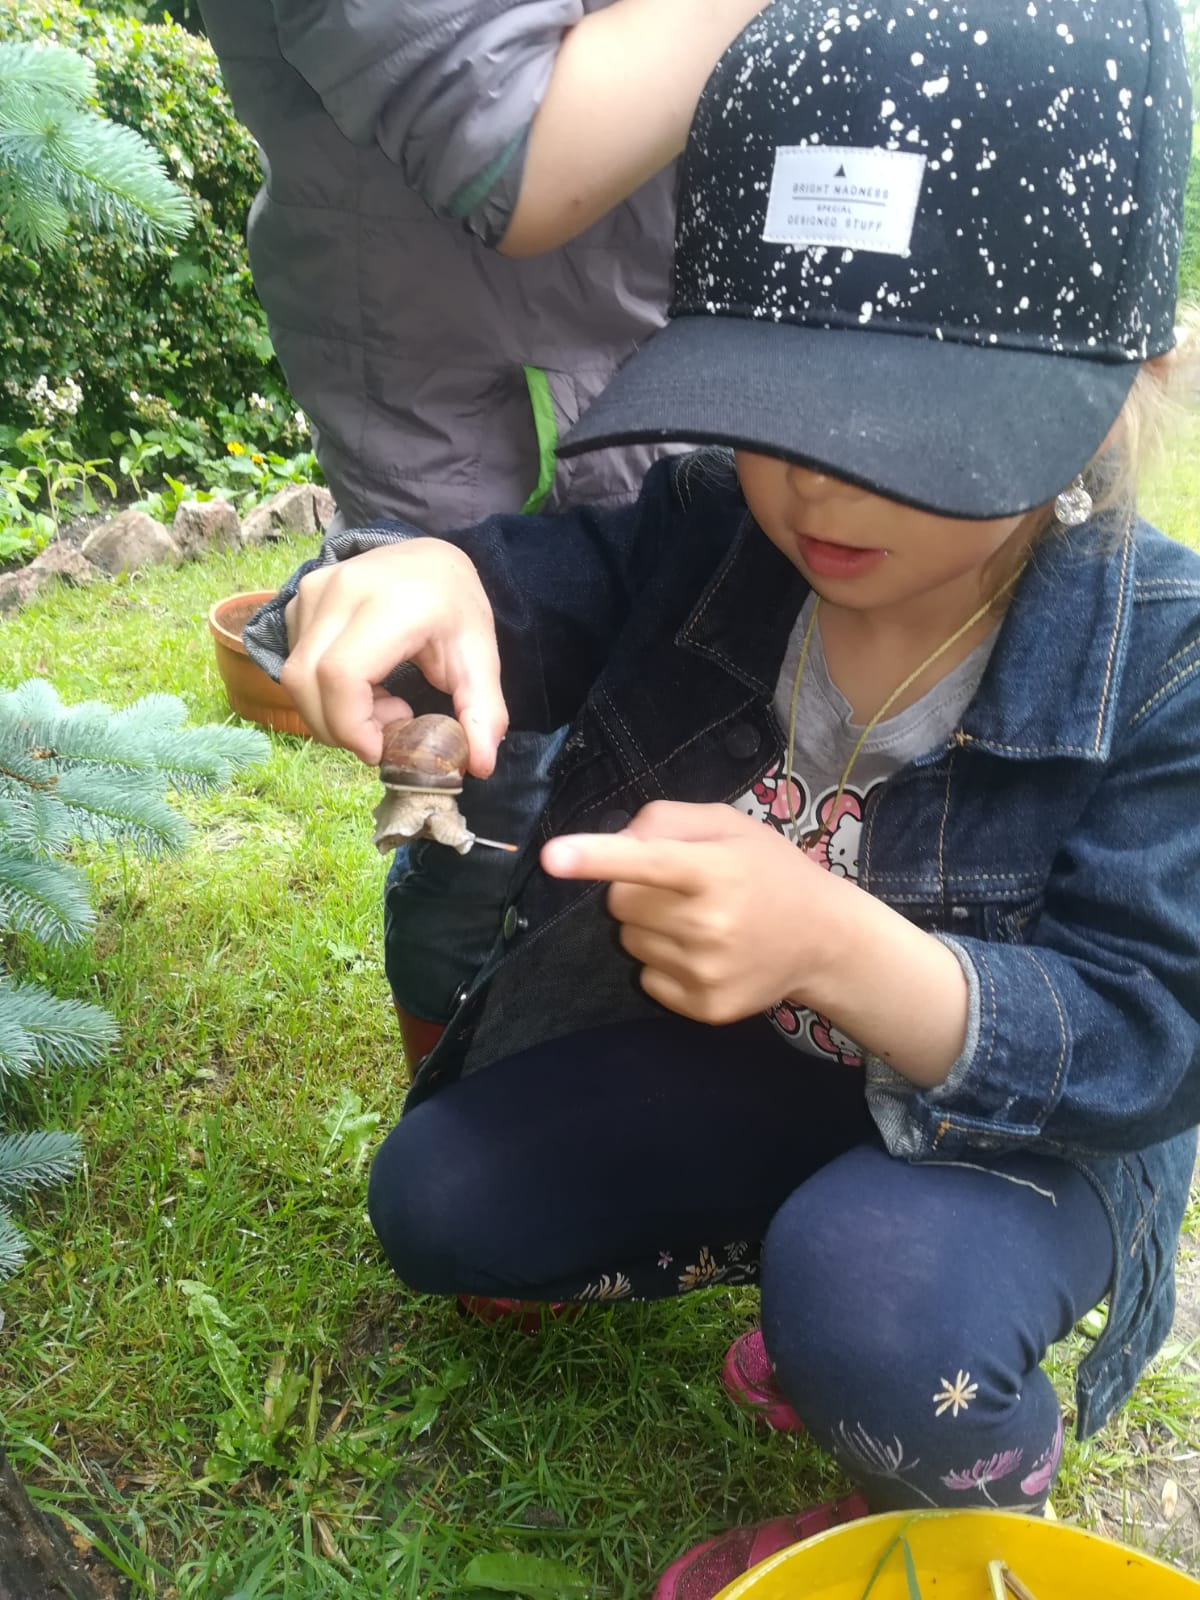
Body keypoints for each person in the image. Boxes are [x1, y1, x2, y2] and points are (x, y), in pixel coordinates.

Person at [245, 0, 1200, 1593]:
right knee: (442, 1201)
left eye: (908, 427)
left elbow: (1149, 1035)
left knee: (884, 1322)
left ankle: (953, 1467)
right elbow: (533, 587)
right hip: (770, 1068)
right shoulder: (716, 532)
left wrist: (833, 944)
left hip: (1018, 1132)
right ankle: (820, 1252)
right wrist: (419, 578)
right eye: (770, 402)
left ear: (1118, 384)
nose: (815, 482)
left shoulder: (1163, 662)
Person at [200, 0, 769, 1062]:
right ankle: (450, 1069)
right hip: (457, 412)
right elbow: (506, 136)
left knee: (653, 744)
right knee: (482, 802)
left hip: (648, 363)